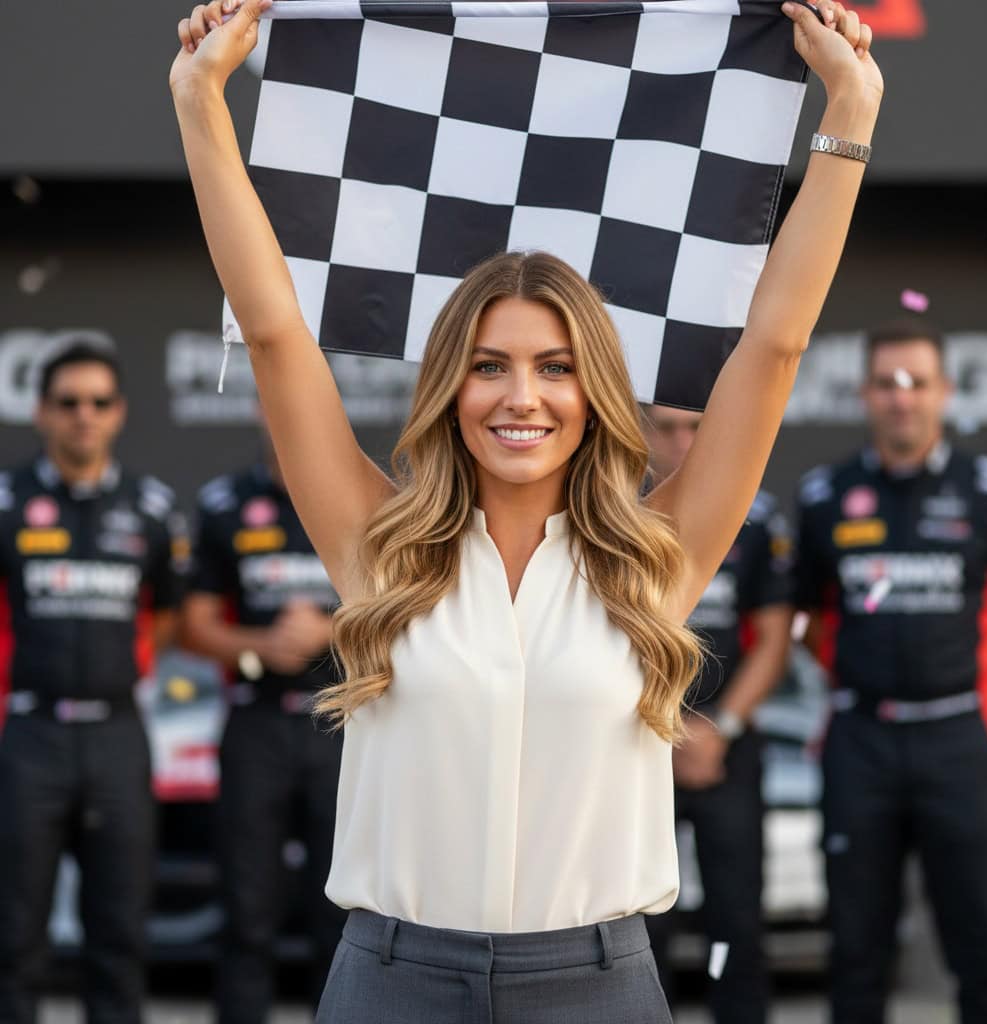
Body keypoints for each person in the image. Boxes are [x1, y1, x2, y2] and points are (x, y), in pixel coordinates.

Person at [170, 0, 881, 1018]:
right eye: (488, 366)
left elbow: (770, 347)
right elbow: (279, 332)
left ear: (593, 391)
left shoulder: (655, 563)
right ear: (448, 388)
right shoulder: (379, 552)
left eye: (554, 367)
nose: (521, 396)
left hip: (600, 987)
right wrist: (201, 101)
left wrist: (848, 111)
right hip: (388, 981)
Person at [795, 319, 987, 1024]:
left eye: (916, 383)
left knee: (982, 951)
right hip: (860, 740)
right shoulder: (823, 495)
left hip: (960, 737)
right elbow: (806, 624)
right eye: (887, 383)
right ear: (864, 393)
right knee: (856, 953)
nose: (902, 399)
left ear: (945, 393)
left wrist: (976, 681)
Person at [0, 342, 190, 1024]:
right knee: (14, 937)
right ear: (41, 412)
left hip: (117, 733)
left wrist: (126, 665)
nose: (85, 416)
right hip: (30, 735)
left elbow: (169, 618)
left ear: (120, 413)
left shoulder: (151, 508)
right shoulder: (7, 502)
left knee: (119, 937)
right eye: (69, 402)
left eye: (99, 402)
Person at [181, 435, 346, 1023]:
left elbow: (412, 604)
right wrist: (262, 646)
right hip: (256, 722)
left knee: (345, 911)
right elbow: (191, 627)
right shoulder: (225, 504)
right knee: (247, 908)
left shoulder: (361, 498)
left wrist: (331, 632)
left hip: (344, 725)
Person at [643, 407, 793, 1023]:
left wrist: (720, 728)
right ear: (642, 431)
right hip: (637, 744)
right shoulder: (609, 512)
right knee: (636, 919)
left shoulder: (757, 516)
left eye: (698, 426)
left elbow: (776, 637)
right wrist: (661, 730)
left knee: (736, 916)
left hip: (726, 744)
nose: (683, 442)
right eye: (667, 426)